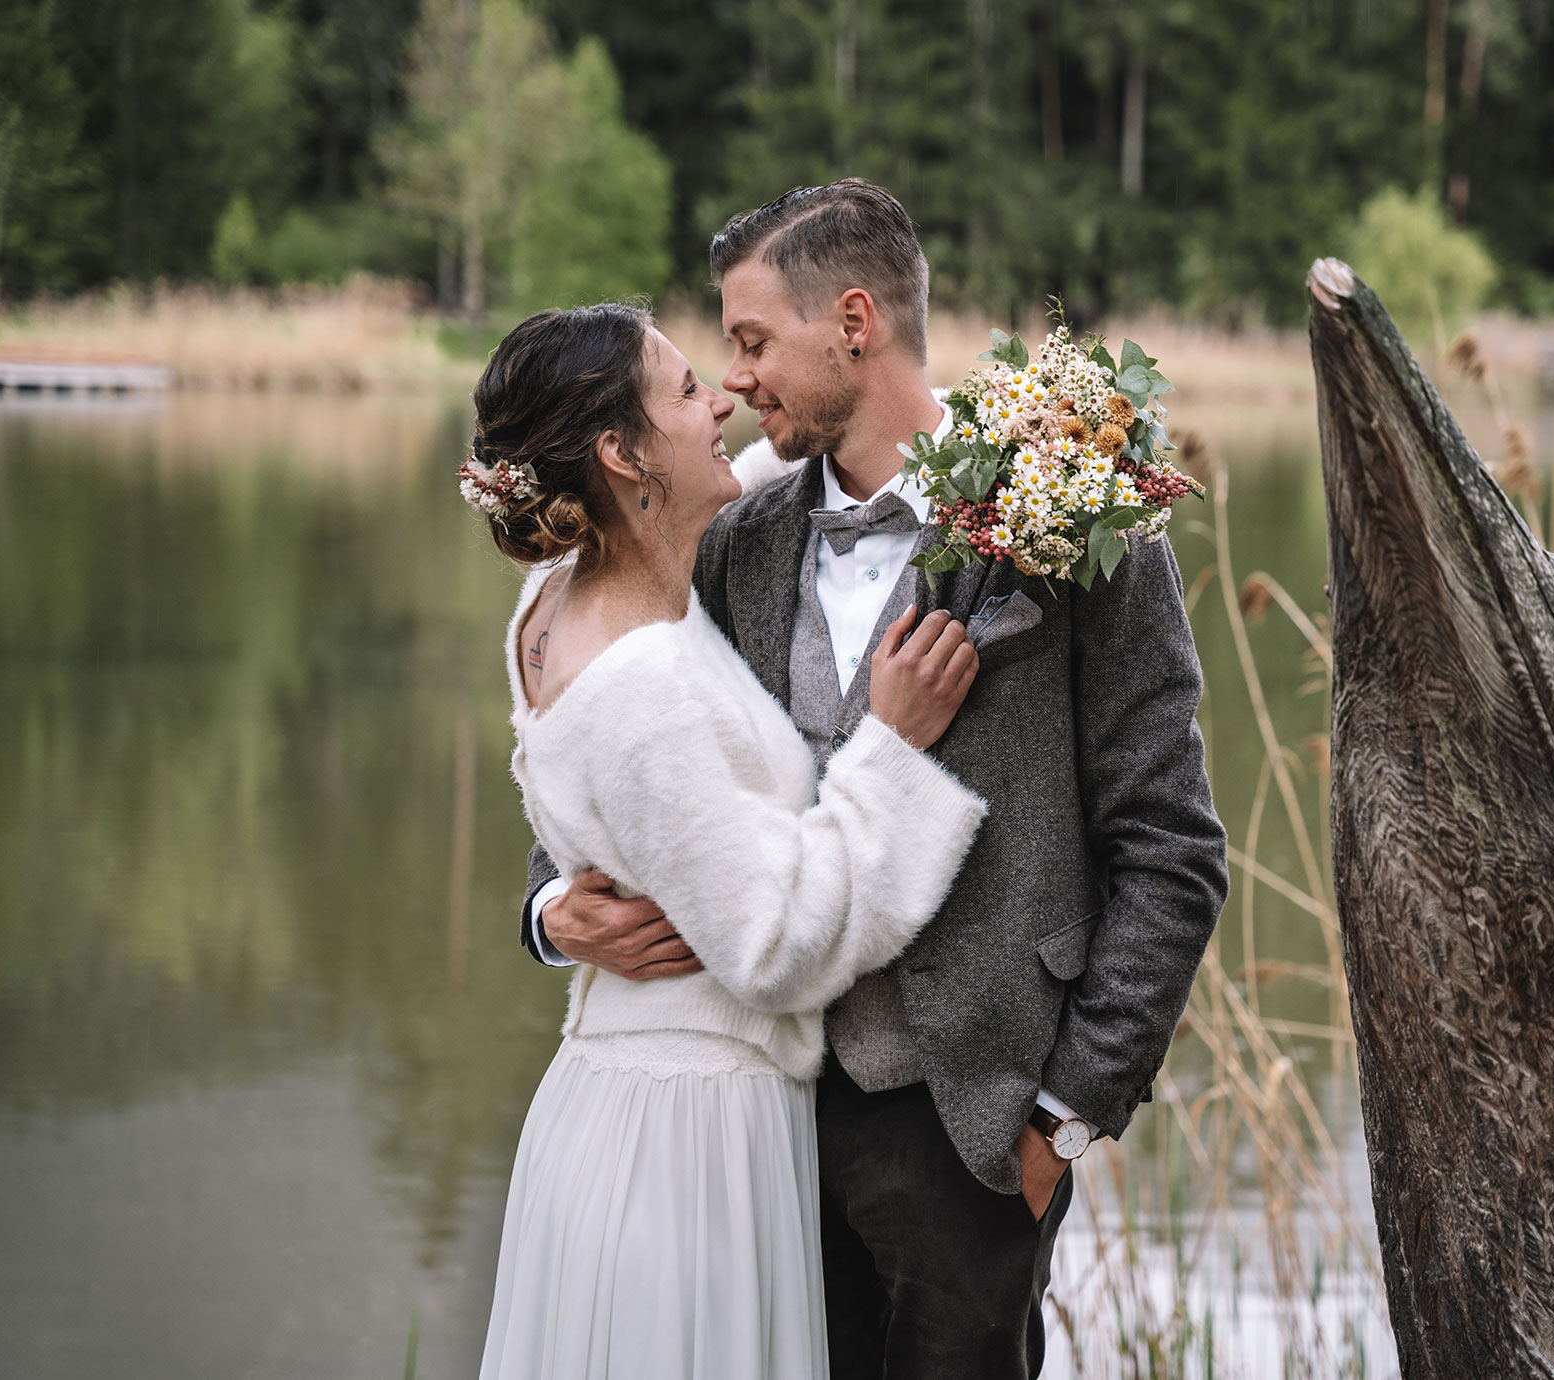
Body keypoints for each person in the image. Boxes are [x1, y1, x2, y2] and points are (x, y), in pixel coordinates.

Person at [522, 180, 1230, 1378]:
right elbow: (632, 730)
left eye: (752, 343)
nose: (735, 379)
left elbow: (1171, 847)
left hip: (971, 1123)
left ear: (855, 321)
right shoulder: (733, 532)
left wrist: (1065, 1112)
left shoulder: (1073, 518)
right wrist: (551, 905)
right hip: (760, 1117)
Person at [469, 302, 990, 1380]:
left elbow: (740, 474)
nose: (725, 401)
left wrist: (995, 436)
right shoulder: (644, 682)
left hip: (616, 1096)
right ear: (621, 453)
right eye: (687, 389)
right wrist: (891, 748)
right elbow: (774, 943)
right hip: (686, 1141)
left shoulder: (557, 598)